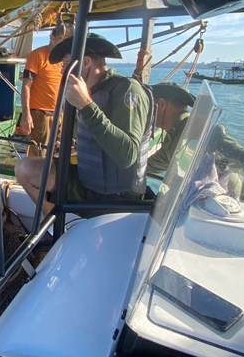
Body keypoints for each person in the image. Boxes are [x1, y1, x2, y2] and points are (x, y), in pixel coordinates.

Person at [14, 33, 151, 214]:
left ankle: (70, 226)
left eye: (65, 65)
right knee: (25, 168)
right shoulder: (88, 92)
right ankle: (57, 228)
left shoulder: (126, 90)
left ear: (86, 63)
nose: (62, 72)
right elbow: (96, 140)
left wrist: (86, 106)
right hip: (88, 181)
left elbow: (127, 155)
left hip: (118, 195)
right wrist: (72, 148)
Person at [17, 21, 74, 156]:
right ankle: (34, 177)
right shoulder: (37, 55)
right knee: (38, 155)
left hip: (59, 112)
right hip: (40, 114)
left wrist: (65, 114)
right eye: (63, 41)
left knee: (58, 153)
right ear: (52, 38)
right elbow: (26, 86)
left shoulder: (64, 59)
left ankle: (53, 177)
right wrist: (27, 115)